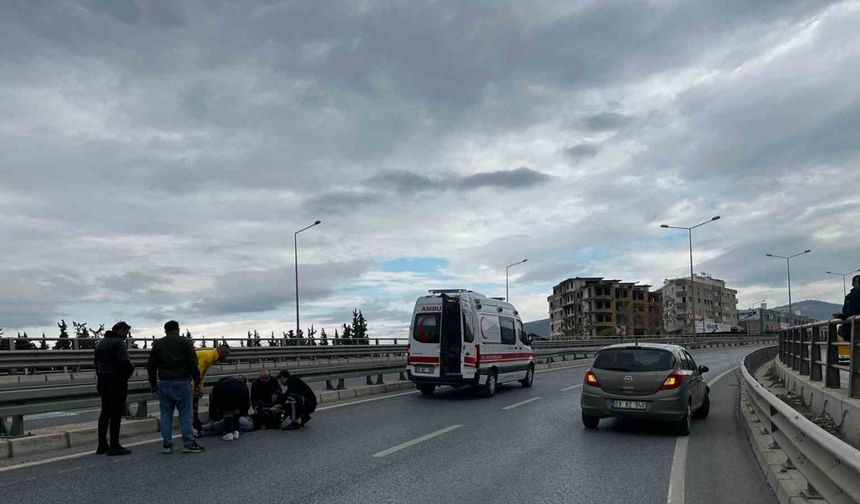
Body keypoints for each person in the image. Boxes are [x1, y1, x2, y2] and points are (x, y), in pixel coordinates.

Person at [147, 320, 206, 454]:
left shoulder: (159, 344)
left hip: (164, 382)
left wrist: (153, 384)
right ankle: (188, 443)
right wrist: (197, 383)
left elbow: (151, 365)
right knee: (185, 414)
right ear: (178, 329)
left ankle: (167, 445)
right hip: (182, 382)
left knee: (166, 414)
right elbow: (193, 363)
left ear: (165, 330)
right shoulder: (185, 342)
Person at [93, 322, 134, 455]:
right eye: (125, 332)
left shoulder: (100, 343)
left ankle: (102, 444)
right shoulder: (118, 343)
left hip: (103, 380)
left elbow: (96, 364)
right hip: (116, 381)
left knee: (105, 412)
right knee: (116, 414)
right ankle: (114, 445)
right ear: (119, 330)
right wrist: (127, 374)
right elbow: (123, 362)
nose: (126, 336)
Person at [192, 344, 231, 436]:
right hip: (183, 375)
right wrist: (195, 389)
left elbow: (203, 374)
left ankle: (196, 423)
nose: (226, 359)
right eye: (226, 356)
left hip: (190, 377)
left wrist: (200, 387)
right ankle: (193, 427)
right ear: (221, 353)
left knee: (194, 402)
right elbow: (198, 373)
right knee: (191, 404)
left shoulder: (211, 357)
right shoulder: (208, 356)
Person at [207, 376, 250, 441]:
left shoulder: (223, 383)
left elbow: (213, 404)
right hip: (236, 395)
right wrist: (243, 413)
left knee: (228, 411)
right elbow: (246, 403)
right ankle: (236, 431)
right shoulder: (243, 386)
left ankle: (228, 433)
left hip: (224, 392)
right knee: (235, 410)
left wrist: (213, 418)